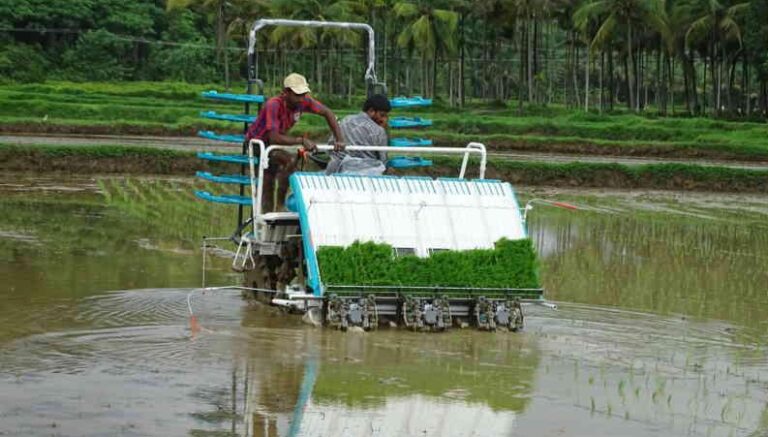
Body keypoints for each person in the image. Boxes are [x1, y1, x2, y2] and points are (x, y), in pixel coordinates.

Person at [246, 73, 345, 212]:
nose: (301, 99)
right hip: (259, 142)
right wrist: (301, 140)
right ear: (286, 93)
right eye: (297, 95)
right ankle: (274, 210)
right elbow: (273, 137)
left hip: (276, 142)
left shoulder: (304, 101)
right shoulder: (273, 105)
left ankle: (281, 203)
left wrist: (339, 139)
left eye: (304, 94)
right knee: (273, 174)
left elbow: (327, 113)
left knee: (290, 163)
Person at [326, 94, 390, 175]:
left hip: (338, 172)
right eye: (382, 115)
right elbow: (383, 159)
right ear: (371, 111)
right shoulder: (379, 131)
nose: (384, 119)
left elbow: (330, 145)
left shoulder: (345, 120)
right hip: (368, 174)